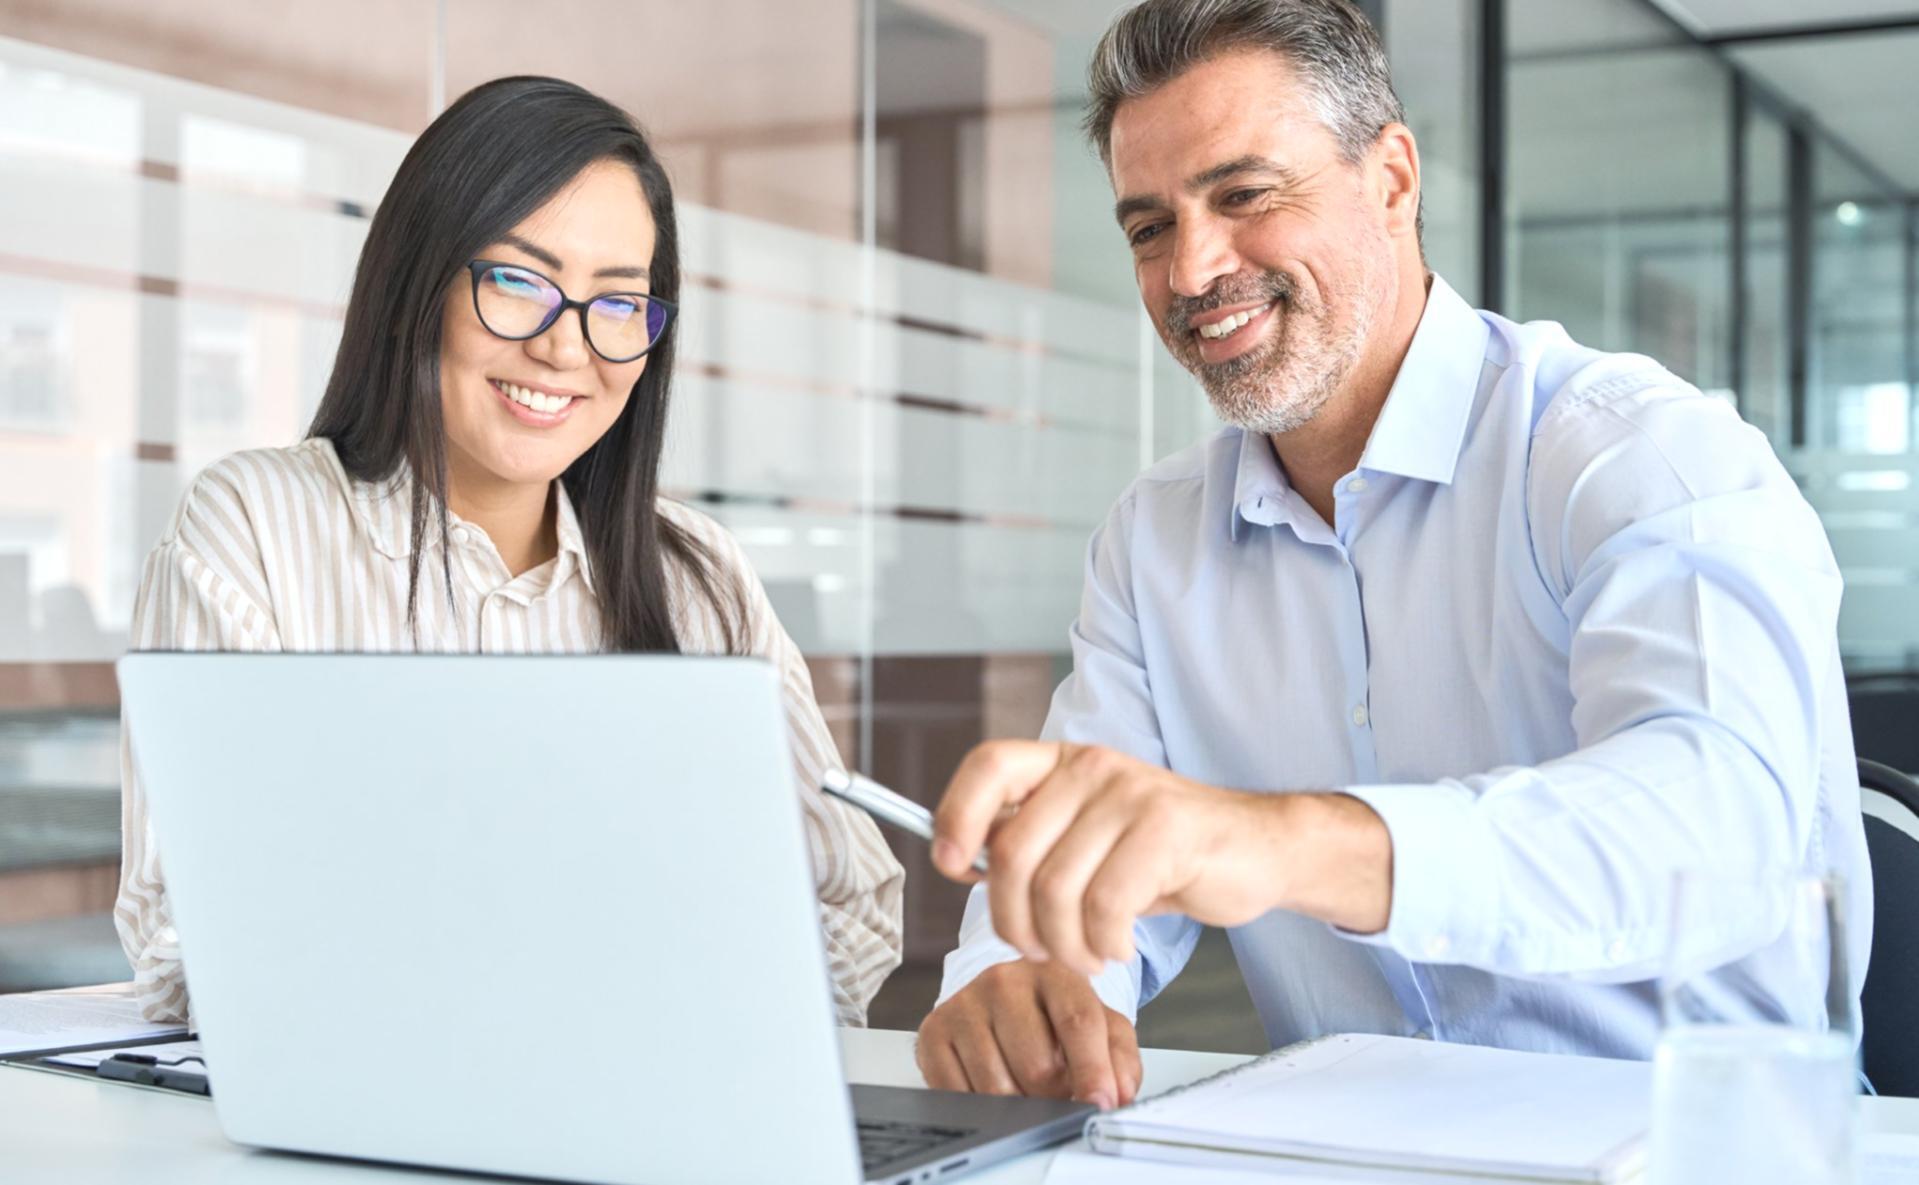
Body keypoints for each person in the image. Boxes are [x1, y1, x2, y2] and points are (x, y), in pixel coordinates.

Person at [916, 0, 1871, 1110]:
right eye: (1147, 227)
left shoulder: (1634, 455)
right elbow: (1093, 866)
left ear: (1391, 181)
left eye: (1242, 196)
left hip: (1698, 1147)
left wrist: (1286, 842)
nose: (1189, 270)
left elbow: (1717, 833)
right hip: (1352, 1146)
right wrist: (1024, 979)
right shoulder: (1153, 541)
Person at [114, 77, 903, 1026]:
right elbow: (183, 936)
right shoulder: (256, 529)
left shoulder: (695, 574)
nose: (566, 348)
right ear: (420, 284)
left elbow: (851, 907)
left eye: (617, 303)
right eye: (519, 282)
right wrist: (644, 938)